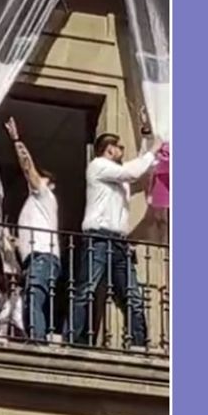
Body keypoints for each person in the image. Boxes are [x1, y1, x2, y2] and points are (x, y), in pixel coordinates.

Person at [66, 132, 162, 346]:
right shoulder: (98, 166)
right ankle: (73, 338)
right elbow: (132, 171)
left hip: (118, 241)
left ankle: (138, 342)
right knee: (86, 289)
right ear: (109, 149)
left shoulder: (118, 176)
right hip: (99, 237)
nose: (122, 151)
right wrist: (154, 149)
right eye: (120, 147)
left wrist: (147, 136)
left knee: (132, 296)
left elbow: (139, 173)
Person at [3, 117, 61, 341]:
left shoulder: (45, 194)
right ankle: (36, 336)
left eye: (42, 178)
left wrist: (16, 140)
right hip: (35, 258)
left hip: (43, 257)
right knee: (31, 298)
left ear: (51, 184)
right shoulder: (34, 204)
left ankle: (37, 340)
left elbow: (28, 169)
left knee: (34, 296)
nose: (37, 180)